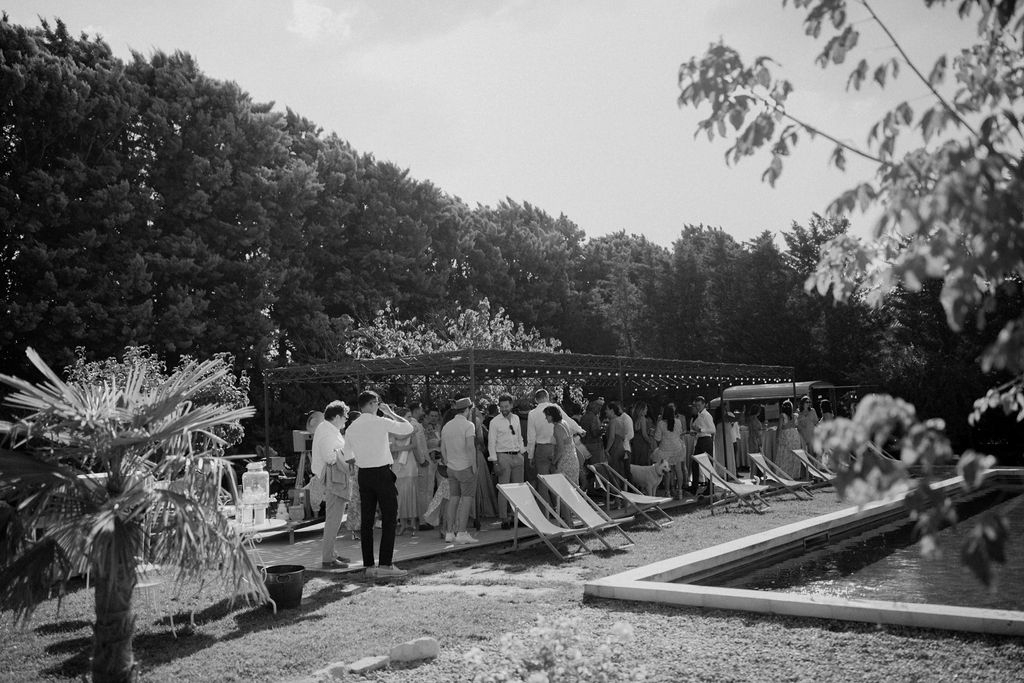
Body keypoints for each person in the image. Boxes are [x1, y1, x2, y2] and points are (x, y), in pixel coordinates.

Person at [344, 390, 413, 578]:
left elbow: (347, 455)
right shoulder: (380, 421)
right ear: (373, 404)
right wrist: (391, 412)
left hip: (364, 473)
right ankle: (385, 564)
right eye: (377, 403)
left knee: (367, 521)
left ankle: (368, 566)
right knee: (390, 517)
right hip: (382, 472)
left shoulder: (351, 428)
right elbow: (408, 428)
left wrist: (361, 457)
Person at [311, 400, 352, 568]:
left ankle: (331, 553)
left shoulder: (329, 429)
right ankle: (328, 558)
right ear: (336, 417)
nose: (346, 420)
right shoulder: (327, 431)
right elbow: (330, 456)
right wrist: (348, 456)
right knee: (333, 520)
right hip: (333, 480)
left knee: (335, 519)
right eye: (344, 416)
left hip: (335, 479)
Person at [526, 389, 583, 495]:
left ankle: (545, 509)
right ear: (547, 397)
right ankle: (558, 507)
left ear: (536, 400)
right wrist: (580, 429)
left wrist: (530, 455)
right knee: (558, 481)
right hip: (556, 448)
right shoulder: (556, 409)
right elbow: (568, 420)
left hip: (542, 448)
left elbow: (531, 437)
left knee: (543, 482)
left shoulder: (532, 414)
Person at [441, 397, 479, 544]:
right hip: (465, 467)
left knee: (454, 499)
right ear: (468, 409)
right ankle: (462, 532)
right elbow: (470, 447)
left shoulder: (447, 426)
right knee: (467, 499)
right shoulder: (469, 425)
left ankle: (449, 533)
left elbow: (443, 449)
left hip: (451, 468)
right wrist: (474, 466)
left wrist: (447, 462)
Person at [488, 394, 526, 530]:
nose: (504, 409)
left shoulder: (516, 418)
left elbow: (519, 436)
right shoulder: (494, 422)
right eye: (501, 406)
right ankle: (504, 518)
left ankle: (518, 517)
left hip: (517, 455)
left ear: (511, 405)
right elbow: (491, 443)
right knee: (504, 489)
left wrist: (522, 452)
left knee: (518, 489)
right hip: (502, 456)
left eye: (506, 406)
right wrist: (494, 462)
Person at [391, 406, 425, 537]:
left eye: (411, 416)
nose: (410, 419)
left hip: (410, 464)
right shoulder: (393, 430)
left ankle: (412, 524)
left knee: (411, 494)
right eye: (408, 416)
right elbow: (391, 448)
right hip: (398, 466)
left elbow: (415, 445)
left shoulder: (412, 430)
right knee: (400, 496)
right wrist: (406, 445)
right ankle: (402, 523)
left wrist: (403, 446)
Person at [545, 406, 579, 526]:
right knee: (570, 492)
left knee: (563, 493)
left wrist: (554, 463)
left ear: (552, 415)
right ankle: (570, 520)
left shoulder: (557, 427)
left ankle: (569, 522)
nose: (545, 418)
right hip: (572, 459)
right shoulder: (564, 423)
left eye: (547, 415)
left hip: (564, 462)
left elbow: (560, 449)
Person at [471, 405, 499, 527]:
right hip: (476, 455)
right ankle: (482, 509)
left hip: (463, 457)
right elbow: (481, 440)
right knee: (482, 483)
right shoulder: (476, 422)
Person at [654, 403, 687, 498]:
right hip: (677, 448)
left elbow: (658, 438)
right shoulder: (678, 422)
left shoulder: (661, 423)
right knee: (678, 470)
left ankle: (668, 492)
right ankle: (680, 491)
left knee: (667, 472)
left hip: (665, 449)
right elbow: (680, 433)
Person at [691, 396, 715, 494]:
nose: (697, 407)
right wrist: (695, 432)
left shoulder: (707, 415)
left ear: (704, 405)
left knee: (707, 464)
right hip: (701, 439)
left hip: (706, 440)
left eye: (699, 405)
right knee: (695, 463)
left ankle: (710, 488)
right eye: (696, 405)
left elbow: (713, 430)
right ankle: (694, 487)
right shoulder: (700, 415)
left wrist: (700, 430)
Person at [775, 399, 803, 479]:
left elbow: (779, 428)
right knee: (794, 455)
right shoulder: (795, 416)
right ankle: (794, 474)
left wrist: (777, 437)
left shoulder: (782, 415)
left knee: (784, 454)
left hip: (786, 435)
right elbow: (797, 426)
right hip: (794, 435)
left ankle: (783, 474)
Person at [629, 402, 655, 467]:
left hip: (635, 443)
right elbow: (644, 434)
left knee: (636, 463)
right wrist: (650, 442)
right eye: (646, 408)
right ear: (641, 409)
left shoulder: (634, 418)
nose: (647, 410)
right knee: (643, 464)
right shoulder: (642, 418)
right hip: (642, 443)